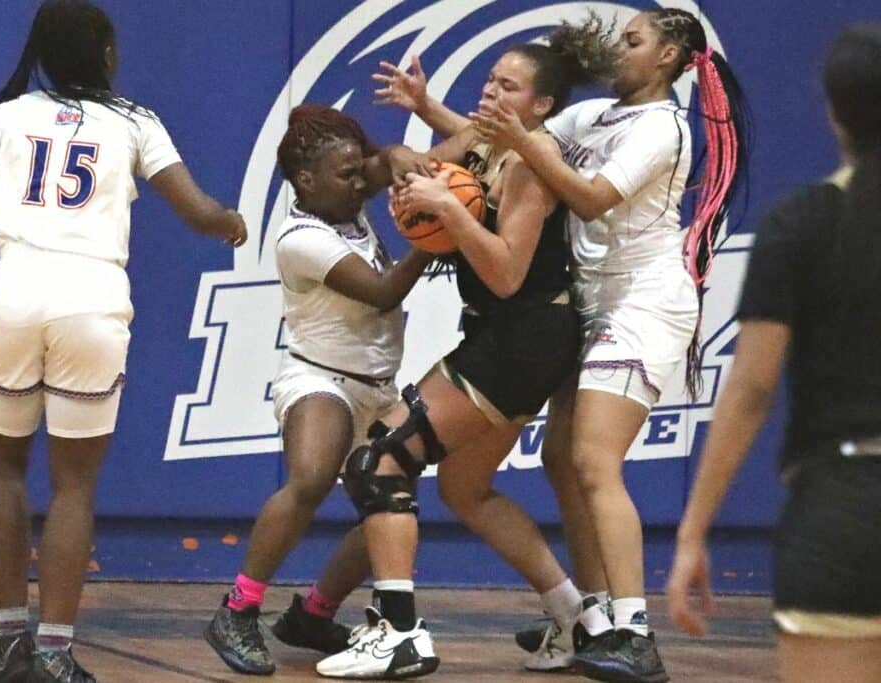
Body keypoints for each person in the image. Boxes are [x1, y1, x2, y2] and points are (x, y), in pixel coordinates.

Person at [390, 8, 751, 681]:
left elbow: (587, 197)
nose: (621, 51)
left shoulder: (662, 127)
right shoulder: (596, 118)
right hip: (592, 303)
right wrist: (428, 107)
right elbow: (502, 136)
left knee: (591, 459)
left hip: (644, 301)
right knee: (561, 459)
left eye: (635, 42)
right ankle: (598, 617)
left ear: (670, 57)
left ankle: (637, 632)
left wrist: (523, 142)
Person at [0, 2, 246, 682]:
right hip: (92, 297)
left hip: (16, 290)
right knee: (74, 485)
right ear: (107, 55)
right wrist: (231, 222)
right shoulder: (136, 120)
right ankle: (54, 650)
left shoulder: (8, 116)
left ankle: (7, 643)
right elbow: (199, 211)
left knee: (3, 471)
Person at [316, 18, 620, 679]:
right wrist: (425, 121)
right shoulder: (488, 135)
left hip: (525, 332)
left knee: (378, 461)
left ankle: (399, 633)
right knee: (465, 486)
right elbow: (436, 167)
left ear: (542, 107)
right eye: (489, 78)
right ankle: (578, 616)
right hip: (506, 332)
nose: (491, 92)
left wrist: (448, 211)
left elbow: (508, 269)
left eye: (508, 86)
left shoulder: (536, 167)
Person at [667, 24, 881, 683]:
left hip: (841, 512)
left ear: (834, 112)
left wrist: (691, 533)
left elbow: (752, 389)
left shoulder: (801, 222)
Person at [203, 104, 435, 676]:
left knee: (390, 509)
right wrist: (437, 235)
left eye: (361, 170)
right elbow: (382, 292)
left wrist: (406, 154)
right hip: (320, 378)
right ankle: (238, 609)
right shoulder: (301, 237)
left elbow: (396, 163)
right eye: (346, 175)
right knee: (308, 481)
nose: (360, 182)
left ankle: (312, 614)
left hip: (380, 387)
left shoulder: (346, 192)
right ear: (306, 182)